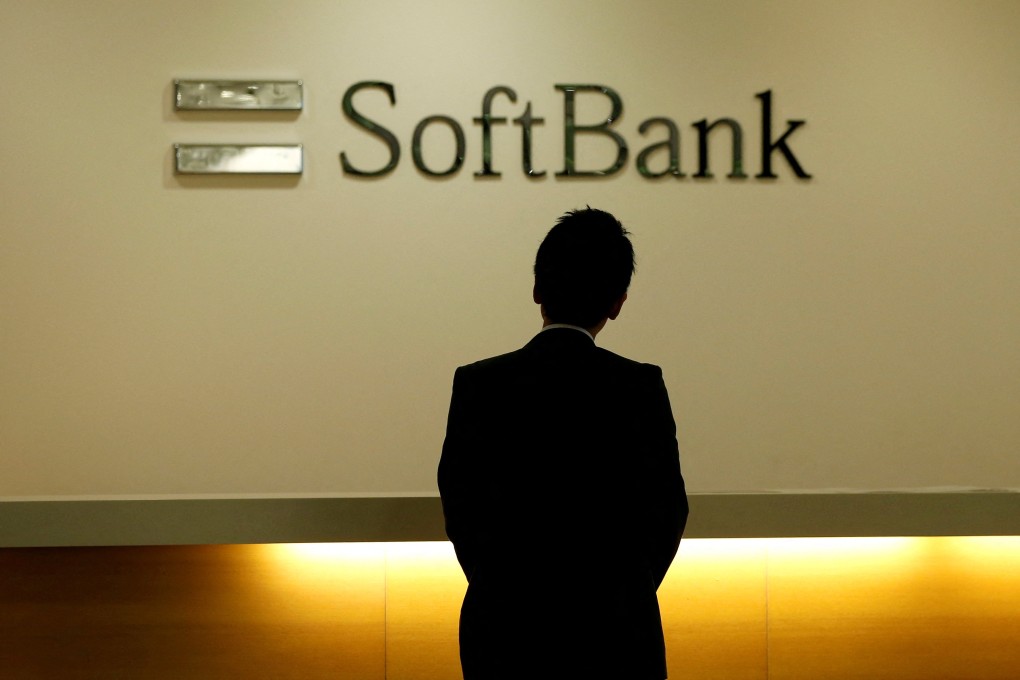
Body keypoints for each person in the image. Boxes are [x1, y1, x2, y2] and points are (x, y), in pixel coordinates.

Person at [438, 207, 688, 680]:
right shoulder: (639, 386)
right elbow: (666, 510)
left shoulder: (479, 384)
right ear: (618, 301)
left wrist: (501, 591)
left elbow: (462, 505)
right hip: (616, 632)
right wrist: (623, 595)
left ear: (537, 290)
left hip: (504, 631)